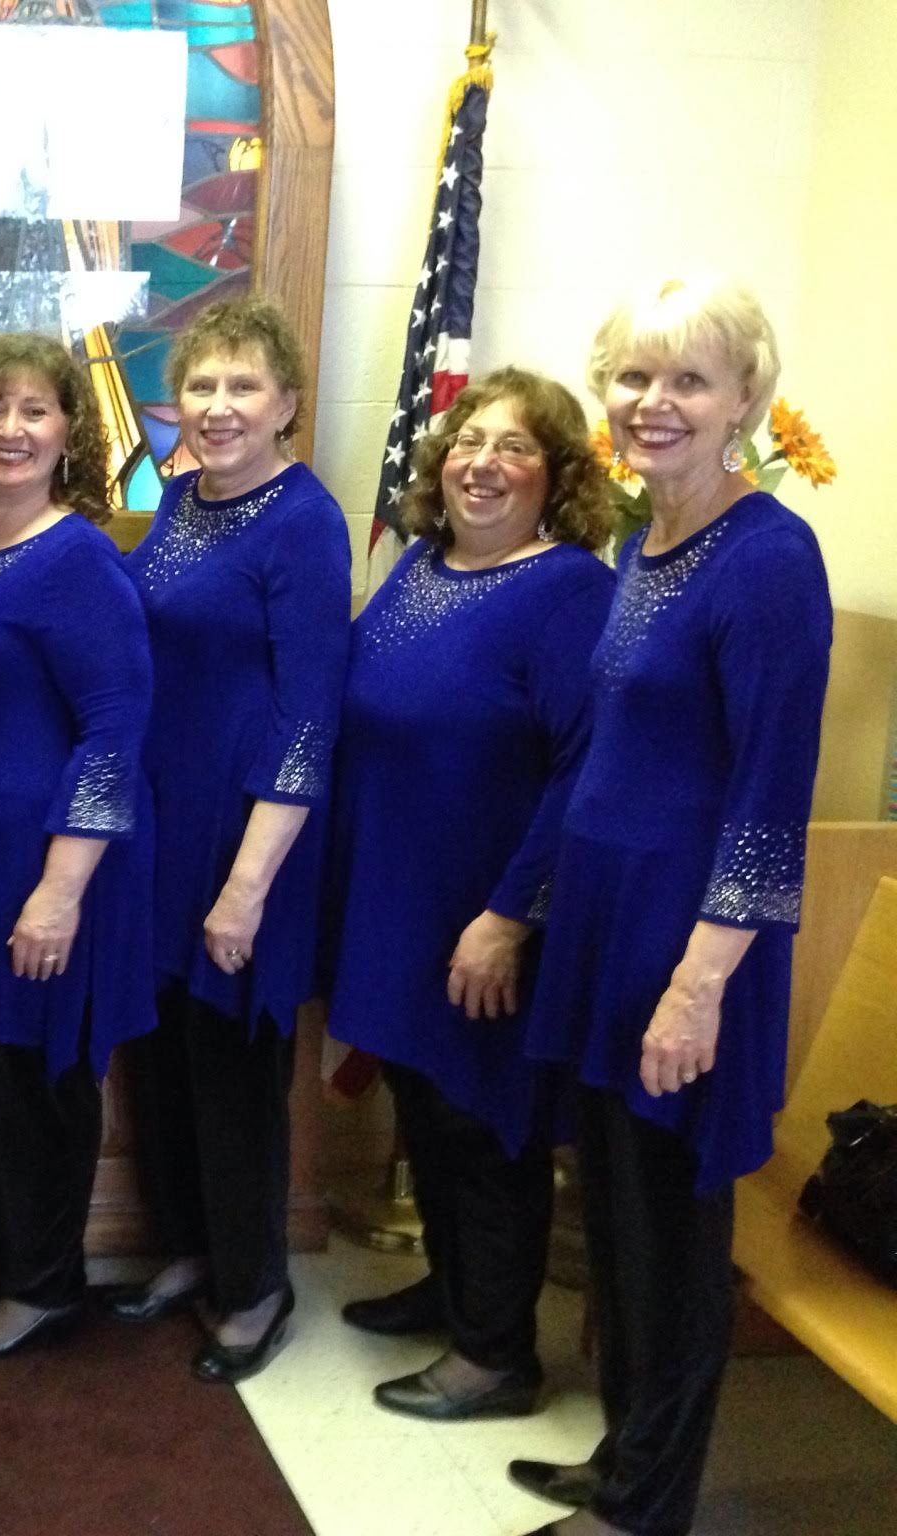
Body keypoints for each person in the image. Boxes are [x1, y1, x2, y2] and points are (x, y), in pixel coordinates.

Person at [506, 278, 832, 1536]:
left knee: (671, 1242)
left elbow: (766, 797)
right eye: (634, 379)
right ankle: (621, 1458)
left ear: (747, 398)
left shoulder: (766, 560)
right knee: (617, 1219)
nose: (653, 404)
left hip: (684, 951)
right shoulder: (643, 543)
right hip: (606, 931)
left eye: (687, 381)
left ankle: (648, 1508)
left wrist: (697, 989)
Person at [320, 368, 616, 1420]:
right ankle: (452, 1290)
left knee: (484, 1125)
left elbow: (584, 766)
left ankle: (495, 1357)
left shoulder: (571, 592)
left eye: (514, 449)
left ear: (557, 478)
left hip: (482, 913)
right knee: (425, 1108)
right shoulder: (420, 569)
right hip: (395, 902)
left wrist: (505, 918)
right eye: (467, 442)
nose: (481, 464)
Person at [0, 332, 155, 1357]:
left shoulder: (76, 558)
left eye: (35, 411)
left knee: (38, 1081)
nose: (11, 430)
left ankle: (46, 1283)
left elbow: (113, 730)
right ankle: (4, 1252)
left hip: (44, 860)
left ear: (67, 433)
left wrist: (57, 892)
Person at [116, 297, 351, 1382]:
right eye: (200, 386)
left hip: (242, 829)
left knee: (232, 1068)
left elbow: (309, 716)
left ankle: (255, 1286)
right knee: (162, 1054)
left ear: (286, 405)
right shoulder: (178, 502)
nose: (215, 408)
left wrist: (247, 886)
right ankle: (190, 1246)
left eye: (240, 387)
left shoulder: (303, 520)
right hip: (163, 821)